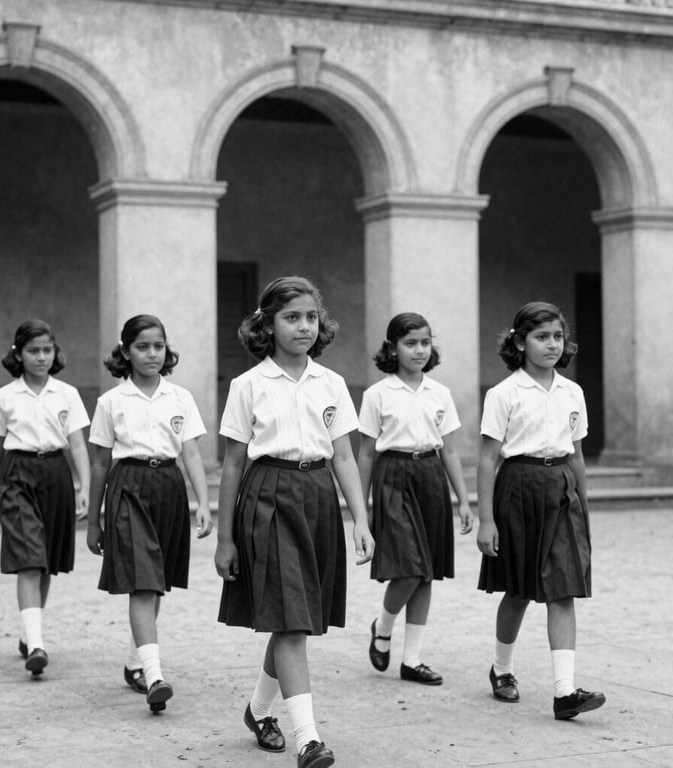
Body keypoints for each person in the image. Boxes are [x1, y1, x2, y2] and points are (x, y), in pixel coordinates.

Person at [215, 276, 374, 768]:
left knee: (295, 617)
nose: (304, 326)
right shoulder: (248, 385)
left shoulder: (332, 384)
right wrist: (224, 539)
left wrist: (361, 520)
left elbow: (344, 456)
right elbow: (233, 465)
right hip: (267, 498)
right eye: (291, 317)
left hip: (318, 497)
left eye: (310, 317)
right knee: (289, 618)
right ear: (267, 324)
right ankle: (308, 739)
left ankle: (259, 711)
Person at [476, 301, 605, 720]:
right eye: (542, 336)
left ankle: (565, 692)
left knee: (563, 589)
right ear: (519, 342)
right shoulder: (504, 394)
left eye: (557, 336)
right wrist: (487, 520)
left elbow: (579, 455)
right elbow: (487, 459)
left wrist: (584, 507)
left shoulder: (573, 393)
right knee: (518, 591)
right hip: (518, 489)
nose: (552, 344)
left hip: (561, 488)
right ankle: (502, 668)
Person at [86, 314, 212, 714]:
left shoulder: (181, 398)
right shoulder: (111, 402)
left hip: (169, 488)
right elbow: (100, 464)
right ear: (125, 351)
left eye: (158, 345)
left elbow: (191, 452)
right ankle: (155, 675)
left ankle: (135, 661)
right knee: (142, 581)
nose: (152, 354)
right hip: (128, 486)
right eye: (142, 346)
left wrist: (203, 503)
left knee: (154, 581)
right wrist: (93, 518)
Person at [357, 312, 473, 685]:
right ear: (392, 347)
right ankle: (384, 625)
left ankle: (412, 659)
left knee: (426, 573)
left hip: (430, 478)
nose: (419, 350)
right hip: (393, 477)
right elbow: (365, 453)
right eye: (410, 343)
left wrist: (464, 499)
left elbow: (450, 451)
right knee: (408, 566)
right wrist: (360, 508)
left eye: (425, 342)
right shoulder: (377, 394)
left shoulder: (440, 393)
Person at [0, 319, 91, 677]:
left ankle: (30, 633)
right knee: (29, 558)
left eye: (47, 350)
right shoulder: (4, 398)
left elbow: (77, 444)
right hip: (17, 475)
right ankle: (38, 645)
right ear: (19, 354)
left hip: (55, 475)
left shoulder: (67, 394)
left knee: (44, 562)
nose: (41, 357)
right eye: (33, 351)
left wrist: (85, 487)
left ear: (55, 352)